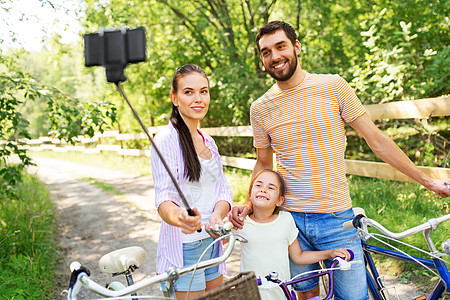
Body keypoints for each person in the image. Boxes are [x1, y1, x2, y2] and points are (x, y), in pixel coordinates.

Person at [230, 21, 450, 300]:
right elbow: (263, 163)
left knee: (353, 298)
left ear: (296, 47)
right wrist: (250, 204)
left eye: (280, 46)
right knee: (302, 296)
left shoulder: (333, 86)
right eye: (266, 52)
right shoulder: (260, 108)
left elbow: (377, 140)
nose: (274, 57)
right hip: (288, 221)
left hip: (337, 221)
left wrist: (428, 181)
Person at [150, 64, 233, 299]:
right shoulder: (166, 139)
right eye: (189, 92)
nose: (198, 99)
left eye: (203, 91)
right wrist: (180, 218)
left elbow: (223, 190)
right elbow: (163, 198)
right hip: (185, 247)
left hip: (213, 242)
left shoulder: (208, 141)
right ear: (174, 98)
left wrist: (218, 215)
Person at [235, 169, 350, 300]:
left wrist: (330, 253)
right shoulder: (241, 222)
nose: (263, 190)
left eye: (271, 187)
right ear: (250, 194)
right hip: (250, 295)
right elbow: (219, 240)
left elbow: (298, 256)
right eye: (258, 185)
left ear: (280, 200)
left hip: (280, 294)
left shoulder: (285, 220)